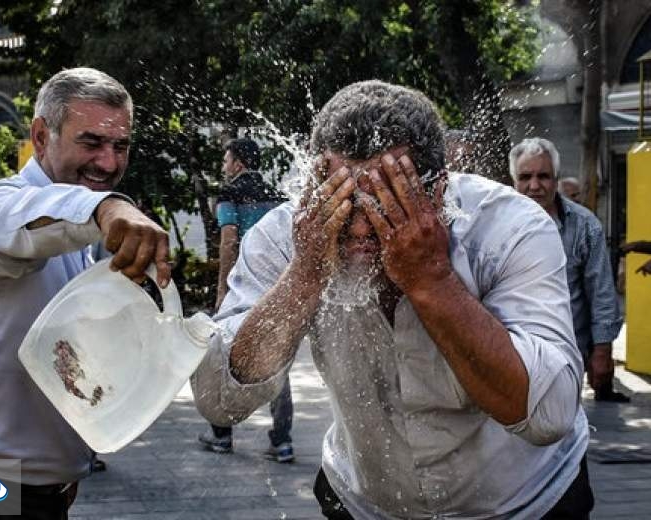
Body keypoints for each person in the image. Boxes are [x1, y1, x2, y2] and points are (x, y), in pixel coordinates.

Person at [192, 80, 592, 519]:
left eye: (385, 203)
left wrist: (432, 280)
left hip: (527, 501)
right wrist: (304, 276)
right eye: (344, 204)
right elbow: (219, 400)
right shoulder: (292, 235)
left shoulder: (509, 229)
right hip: (365, 502)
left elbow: (549, 414)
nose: (361, 231)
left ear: (436, 192)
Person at [0, 67, 170, 519]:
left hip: (44, 490)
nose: (109, 163)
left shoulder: (79, 233)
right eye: (91, 143)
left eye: (121, 146)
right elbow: (24, 219)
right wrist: (107, 206)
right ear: (40, 136)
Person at [198, 138, 295, 463]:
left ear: (238, 162)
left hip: (244, 285)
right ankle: (282, 441)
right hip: (277, 285)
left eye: (226, 161)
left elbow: (228, 240)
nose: (224, 167)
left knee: (218, 352)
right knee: (278, 358)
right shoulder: (275, 195)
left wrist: (223, 288)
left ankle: (220, 435)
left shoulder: (229, 195)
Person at [511, 137, 629, 403]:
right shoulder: (495, 225)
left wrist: (602, 351)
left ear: (556, 179)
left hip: (567, 356)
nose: (534, 186)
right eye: (525, 177)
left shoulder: (585, 227)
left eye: (544, 176)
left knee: (562, 435)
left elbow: (601, 292)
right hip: (511, 354)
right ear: (514, 182)